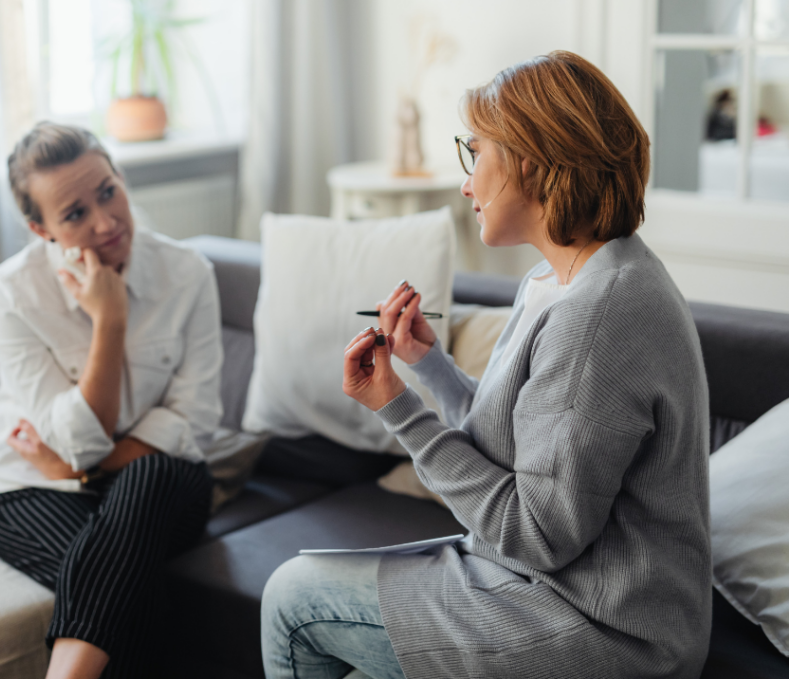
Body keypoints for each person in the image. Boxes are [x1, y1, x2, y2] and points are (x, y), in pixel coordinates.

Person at [261, 51, 711, 679]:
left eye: (476, 153)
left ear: (531, 158)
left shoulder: (599, 315)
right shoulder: (565, 277)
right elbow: (526, 449)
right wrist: (430, 366)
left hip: (609, 630)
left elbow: (537, 535)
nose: (467, 182)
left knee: (294, 598)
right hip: (557, 591)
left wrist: (398, 409)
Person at [0, 122, 223, 679]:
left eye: (108, 191)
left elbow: (197, 419)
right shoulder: (10, 293)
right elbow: (78, 444)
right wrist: (109, 321)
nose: (106, 223)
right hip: (33, 486)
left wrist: (78, 466)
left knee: (149, 476)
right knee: (130, 594)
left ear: (120, 176)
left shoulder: (187, 274)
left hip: (164, 484)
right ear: (41, 229)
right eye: (75, 214)